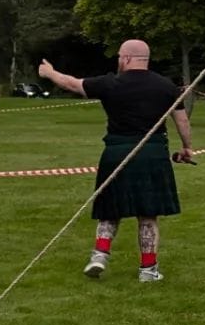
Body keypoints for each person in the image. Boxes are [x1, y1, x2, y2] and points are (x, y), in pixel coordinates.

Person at [38, 41, 192, 282]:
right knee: (148, 214)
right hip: (152, 154)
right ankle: (148, 271)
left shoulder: (111, 83)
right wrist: (186, 147)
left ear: (128, 58)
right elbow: (182, 121)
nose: (118, 60)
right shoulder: (166, 86)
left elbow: (71, 83)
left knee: (110, 209)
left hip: (116, 152)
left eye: (120, 56)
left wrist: (49, 73)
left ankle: (99, 255)